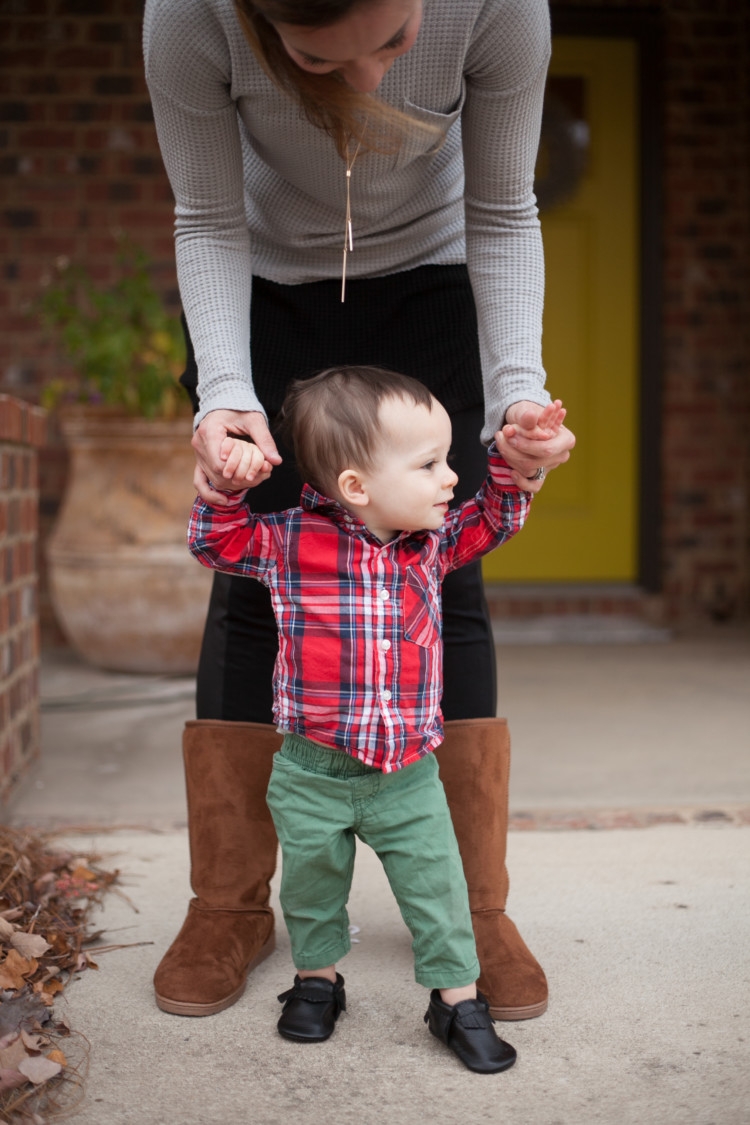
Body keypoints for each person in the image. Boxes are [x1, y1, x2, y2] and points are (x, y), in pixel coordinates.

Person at [143, 0, 576, 1021]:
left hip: (434, 283)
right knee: (260, 582)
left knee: (443, 574)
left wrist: (520, 390)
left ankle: (474, 908)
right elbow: (206, 215)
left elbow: (505, 207)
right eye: (316, 58)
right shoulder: (188, 16)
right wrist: (224, 396)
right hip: (263, 285)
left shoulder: (500, 8)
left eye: (394, 43)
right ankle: (231, 903)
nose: (371, 80)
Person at [187, 366, 565, 1070]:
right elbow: (217, 545)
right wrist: (229, 490)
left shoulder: (433, 544)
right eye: (429, 464)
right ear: (357, 486)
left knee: (440, 887)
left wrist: (519, 467)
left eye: (448, 458)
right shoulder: (288, 542)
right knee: (311, 886)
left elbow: (494, 517)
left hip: (407, 774)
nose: (452, 477)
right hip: (310, 769)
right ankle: (317, 979)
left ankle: (456, 998)